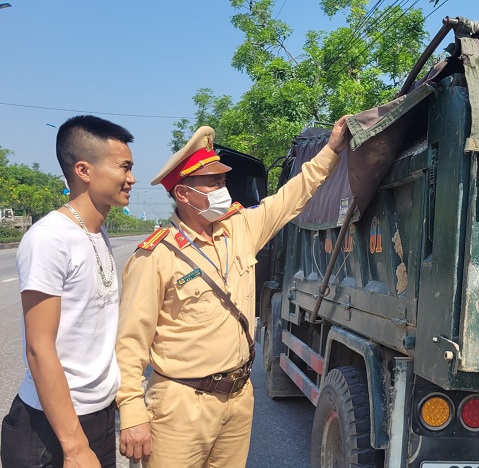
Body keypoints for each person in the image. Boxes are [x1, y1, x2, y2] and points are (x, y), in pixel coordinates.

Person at [115, 115, 351, 467]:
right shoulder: (157, 255)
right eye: (213, 183)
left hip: (238, 400)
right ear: (183, 193)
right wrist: (132, 412)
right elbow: (130, 342)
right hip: (180, 406)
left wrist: (332, 149)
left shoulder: (240, 228)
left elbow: (293, 196)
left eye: (223, 180)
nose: (223, 190)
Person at [1, 115, 136, 468]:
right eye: (124, 167)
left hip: (98, 417)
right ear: (84, 170)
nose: (131, 178)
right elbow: (38, 347)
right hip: (50, 429)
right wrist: (74, 446)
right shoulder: (50, 238)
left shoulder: (97, 233)